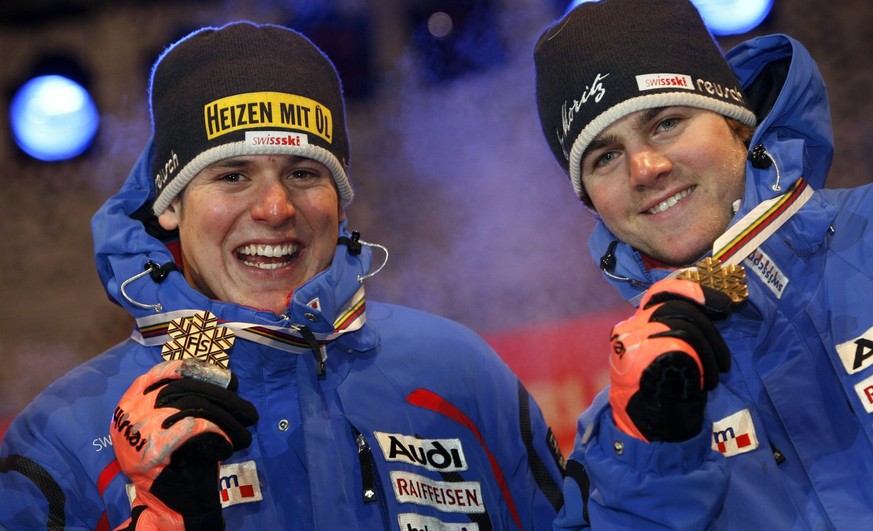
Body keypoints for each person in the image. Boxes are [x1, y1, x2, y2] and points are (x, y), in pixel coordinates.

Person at [0, 22, 565, 530]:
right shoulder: (64, 437)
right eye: (232, 176)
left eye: (302, 172)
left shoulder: (460, 374)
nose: (275, 208)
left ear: (340, 201)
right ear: (169, 204)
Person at [533, 0, 873, 528]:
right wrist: (653, 460)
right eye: (605, 157)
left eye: (667, 122)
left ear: (736, 122)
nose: (645, 169)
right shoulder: (622, 439)